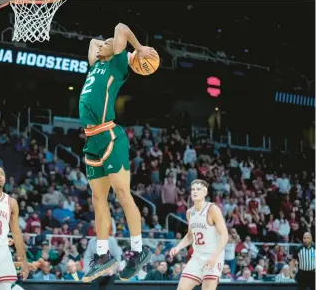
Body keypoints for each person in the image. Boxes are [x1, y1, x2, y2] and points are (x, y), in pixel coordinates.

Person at [79, 22, 157, 282]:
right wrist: (103, 47)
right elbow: (92, 43)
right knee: (97, 200)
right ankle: (102, 255)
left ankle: (138, 250)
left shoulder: (118, 64)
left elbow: (121, 28)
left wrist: (138, 48)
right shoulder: (97, 63)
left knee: (122, 193)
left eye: (110, 44)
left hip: (110, 135)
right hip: (91, 139)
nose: (105, 44)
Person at [169, 179, 228, 290]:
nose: (195, 191)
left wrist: (215, 256)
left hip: (213, 254)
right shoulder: (189, 213)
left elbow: (224, 236)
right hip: (197, 256)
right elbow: (190, 235)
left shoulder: (213, 209)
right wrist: (178, 247)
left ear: (205, 192)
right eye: (193, 189)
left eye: (198, 189)